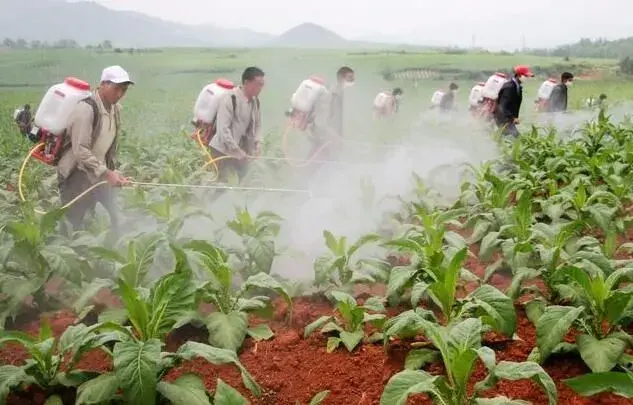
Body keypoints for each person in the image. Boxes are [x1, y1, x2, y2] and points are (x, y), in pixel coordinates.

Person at [56, 65, 133, 235]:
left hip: (97, 173)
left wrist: (113, 172)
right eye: (116, 89)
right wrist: (106, 173)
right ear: (103, 84)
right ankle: (66, 253)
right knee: (72, 223)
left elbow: (107, 148)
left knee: (115, 215)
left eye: (124, 90)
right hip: (75, 174)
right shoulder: (86, 109)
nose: (120, 94)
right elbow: (80, 150)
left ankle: (113, 251)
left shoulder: (115, 110)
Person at [209, 66, 264, 182]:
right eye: (258, 84)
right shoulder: (230, 99)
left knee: (242, 182)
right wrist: (237, 151)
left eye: (262, 85)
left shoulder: (255, 102)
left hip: (240, 152)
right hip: (222, 151)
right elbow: (223, 130)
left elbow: (257, 125)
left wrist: (257, 143)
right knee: (221, 184)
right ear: (246, 83)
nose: (261, 88)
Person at [308, 66, 355, 160]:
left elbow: (336, 118)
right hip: (324, 139)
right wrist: (335, 137)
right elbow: (322, 120)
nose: (353, 81)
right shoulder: (332, 94)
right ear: (341, 78)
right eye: (350, 78)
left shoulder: (340, 93)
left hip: (330, 141)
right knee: (316, 164)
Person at [494, 65, 534, 138]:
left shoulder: (517, 86)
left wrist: (515, 117)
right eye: (526, 76)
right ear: (519, 75)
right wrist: (513, 118)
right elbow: (503, 106)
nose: (528, 78)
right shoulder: (509, 87)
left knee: (504, 138)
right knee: (516, 138)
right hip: (502, 118)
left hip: (508, 118)